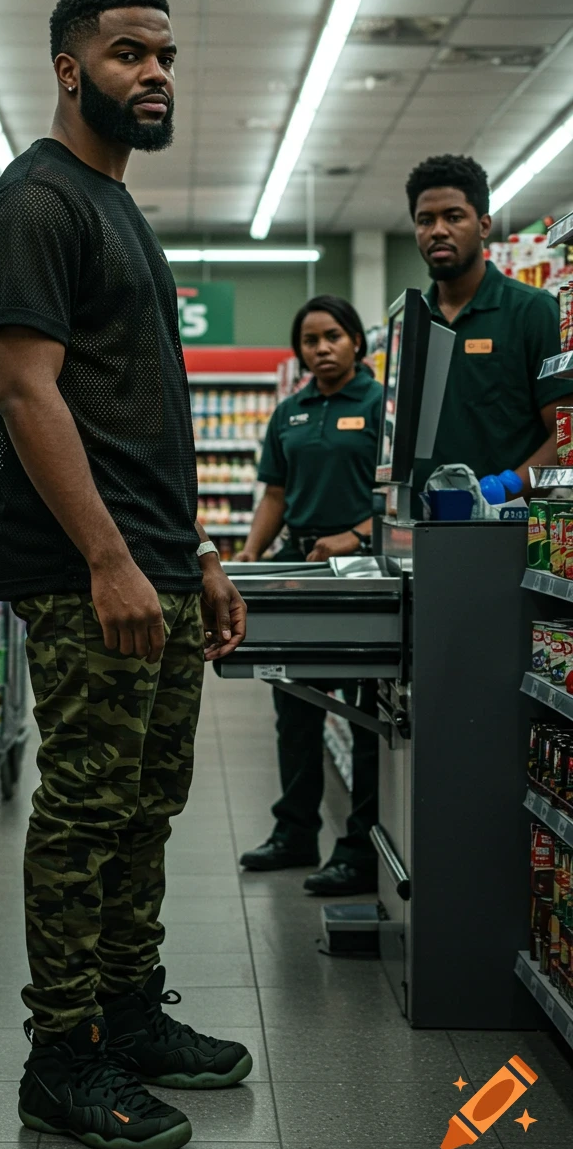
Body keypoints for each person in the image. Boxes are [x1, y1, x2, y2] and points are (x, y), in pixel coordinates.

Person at [0, 0, 249, 1149]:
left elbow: (140, 411)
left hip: (154, 565)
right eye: (129, 53)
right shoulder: (35, 203)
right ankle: (62, 1054)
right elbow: (23, 391)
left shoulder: (117, 205)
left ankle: (128, 1010)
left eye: (165, 55)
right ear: (69, 69)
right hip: (90, 573)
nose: (155, 73)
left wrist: (195, 553)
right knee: (85, 812)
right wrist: (108, 557)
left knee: (145, 805)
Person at [236, 297, 381, 896]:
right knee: (294, 704)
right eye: (310, 340)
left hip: (363, 573)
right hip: (299, 568)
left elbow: (400, 492)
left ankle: (361, 848)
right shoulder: (290, 412)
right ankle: (295, 832)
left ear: (356, 341)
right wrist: (251, 553)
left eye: (333, 336)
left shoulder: (380, 405)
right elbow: (275, 493)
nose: (321, 348)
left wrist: (355, 535)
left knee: (368, 713)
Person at [406, 153, 573, 506]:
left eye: (453, 217)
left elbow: (567, 433)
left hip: (510, 523)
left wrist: (507, 487)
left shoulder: (533, 312)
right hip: (426, 523)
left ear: (483, 226)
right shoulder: (413, 322)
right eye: (425, 220)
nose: (438, 230)